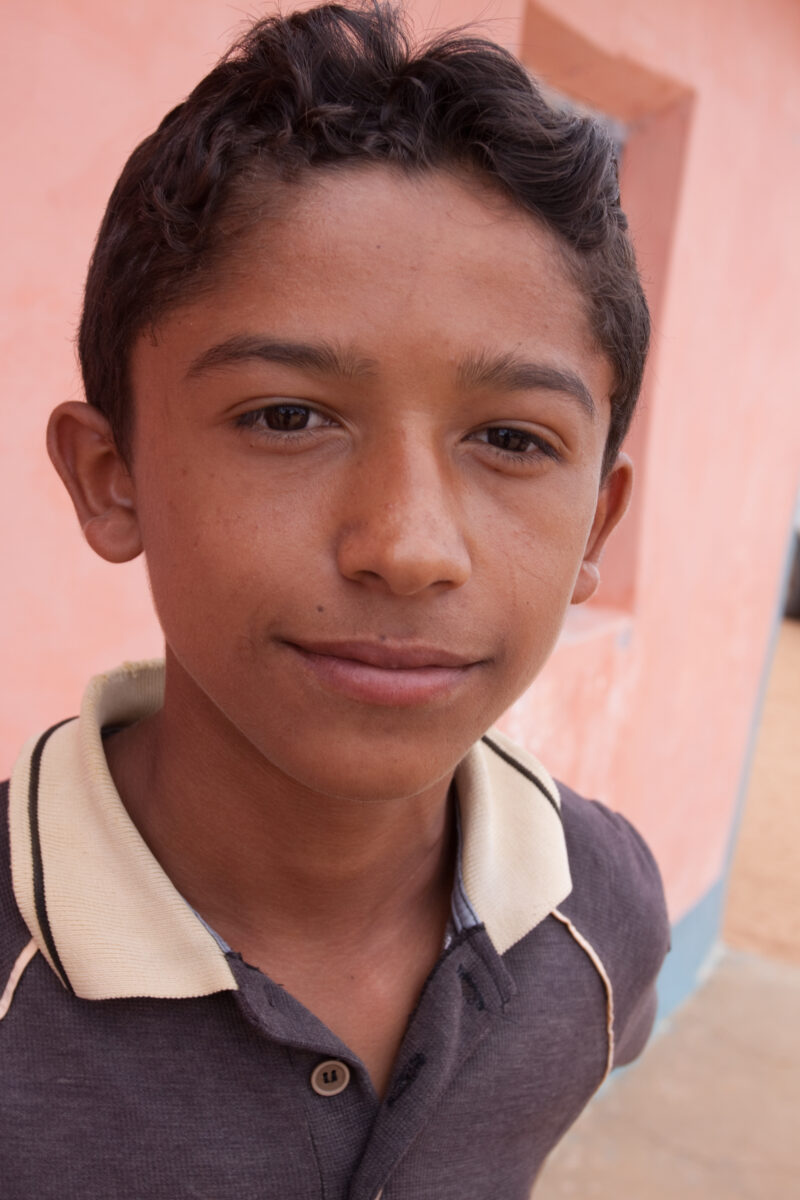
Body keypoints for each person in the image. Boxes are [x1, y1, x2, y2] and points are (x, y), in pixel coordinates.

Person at [0, 4, 669, 1196]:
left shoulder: (598, 912)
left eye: (511, 438)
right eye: (286, 417)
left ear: (593, 531)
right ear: (113, 479)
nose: (408, 548)